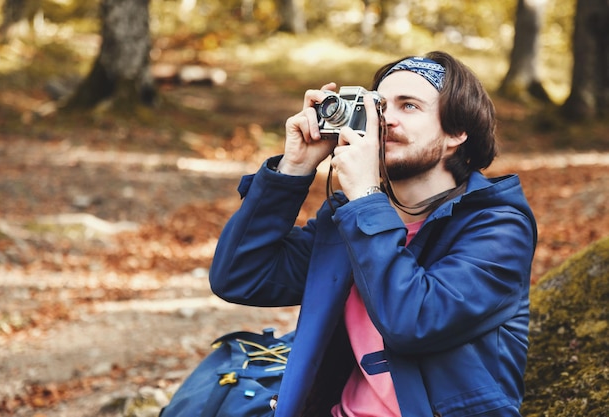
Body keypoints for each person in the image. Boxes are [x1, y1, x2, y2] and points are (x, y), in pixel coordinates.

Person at [209, 50, 537, 417]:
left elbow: (413, 321)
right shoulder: (346, 220)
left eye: (409, 106)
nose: (386, 121)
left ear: (456, 132)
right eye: (379, 106)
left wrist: (366, 196)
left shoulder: (498, 226)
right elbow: (239, 276)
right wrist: (294, 168)